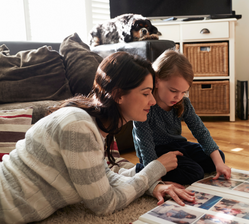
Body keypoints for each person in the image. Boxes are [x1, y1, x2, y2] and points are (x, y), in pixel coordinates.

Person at [0, 51, 195, 224]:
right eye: (146, 93)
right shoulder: (78, 127)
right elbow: (104, 203)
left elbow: (104, 177)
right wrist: (155, 169)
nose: (153, 101)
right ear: (119, 95)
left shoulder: (90, 125)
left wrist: (152, 186)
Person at [133, 50, 231, 185]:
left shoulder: (182, 103)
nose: (178, 97)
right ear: (157, 80)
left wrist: (219, 163)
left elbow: (200, 131)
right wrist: (154, 175)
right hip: (156, 151)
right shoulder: (145, 106)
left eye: (183, 92)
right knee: (195, 173)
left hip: (178, 145)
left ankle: (185, 165)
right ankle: (140, 170)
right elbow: (145, 144)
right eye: (173, 91)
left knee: (217, 157)